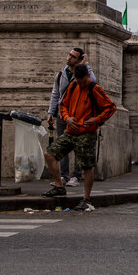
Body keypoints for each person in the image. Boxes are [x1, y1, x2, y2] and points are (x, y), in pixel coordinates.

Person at [42, 63, 115, 210]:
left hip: (87, 132)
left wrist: (97, 119)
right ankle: (59, 186)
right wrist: (67, 118)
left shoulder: (94, 88)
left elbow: (110, 107)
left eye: (82, 81)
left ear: (87, 77)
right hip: (71, 130)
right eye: (78, 80)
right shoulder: (73, 86)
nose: (81, 84)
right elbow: (62, 104)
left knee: (87, 166)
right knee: (50, 154)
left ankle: (86, 198)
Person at [47, 47, 95, 188]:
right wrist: (51, 112)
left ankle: (76, 175)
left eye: (73, 57)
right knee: (62, 145)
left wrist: (85, 65)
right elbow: (56, 94)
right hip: (63, 114)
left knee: (78, 146)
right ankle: (64, 175)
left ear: (80, 60)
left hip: (79, 115)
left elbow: (93, 82)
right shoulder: (62, 74)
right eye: (69, 55)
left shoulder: (83, 74)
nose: (69, 58)